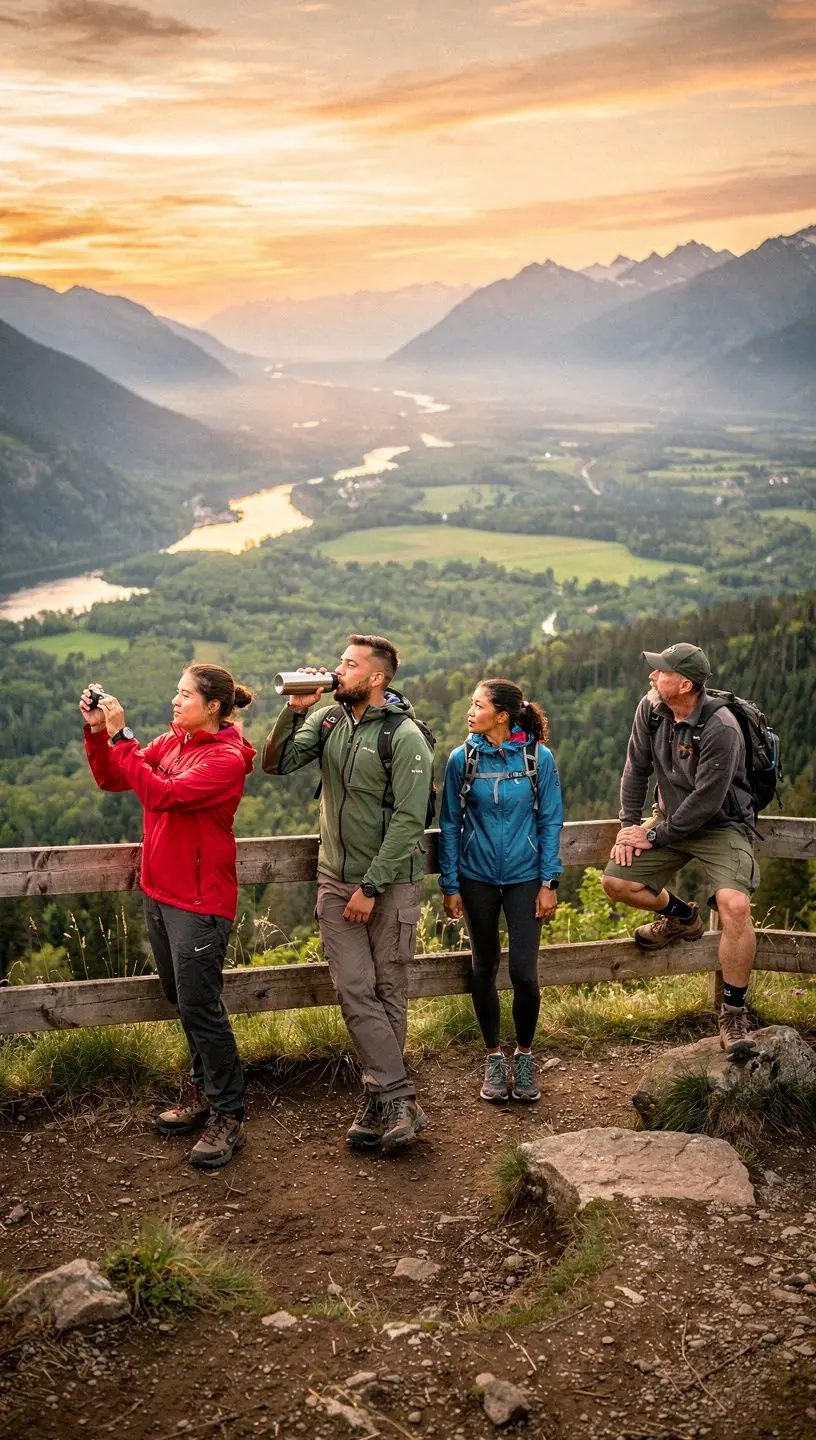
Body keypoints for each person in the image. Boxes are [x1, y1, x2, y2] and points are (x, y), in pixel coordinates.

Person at [262, 635, 434, 1153]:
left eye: (350, 664)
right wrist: (295, 711)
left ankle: (377, 1096)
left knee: (387, 988)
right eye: (340, 661)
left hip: (392, 882)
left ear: (376, 678)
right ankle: (399, 1098)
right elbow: (276, 763)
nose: (338, 670)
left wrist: (371, 886)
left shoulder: (405, 736)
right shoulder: (328, 719)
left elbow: (410, 822)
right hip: (335, 879)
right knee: (353, 986)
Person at [81, 664, 256, 1169]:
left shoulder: (224, 759)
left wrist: (123, 736)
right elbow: (114, 777)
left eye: (185, 695)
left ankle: (229, 1114)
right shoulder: (173, 740)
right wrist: (99, 734)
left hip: (200, 902)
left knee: (202, 1006)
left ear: (215, 706)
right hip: (160, 893)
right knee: (181, 998)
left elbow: (161, 794)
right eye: (176, 693)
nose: (175, 702)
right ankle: (205, 1092)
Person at [601, 643, 759, 1055]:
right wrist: (629, 825)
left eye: (661, 672)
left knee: (735, 907)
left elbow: (707, 801)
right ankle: (682, 918)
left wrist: (653, 836)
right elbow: (636, 767)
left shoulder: (721, 727)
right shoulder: (652, 709)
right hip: (670, 819)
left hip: (720, 825)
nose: (652, 676)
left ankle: (734, 1013)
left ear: (685, 684)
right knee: (617, 881)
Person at [438, 678, 563, 1103]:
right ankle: (494, 1057)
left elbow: (550, 822)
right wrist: (450, 883)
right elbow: (450, 824)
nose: (469, 713)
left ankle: (524, 1056)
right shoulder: (462, 759)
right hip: (476, 877)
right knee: (483, 966)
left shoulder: (537, 759)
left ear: (502, 715)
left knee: (524, 973)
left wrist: (549, 882)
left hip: (526, 876)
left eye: (477, 706)